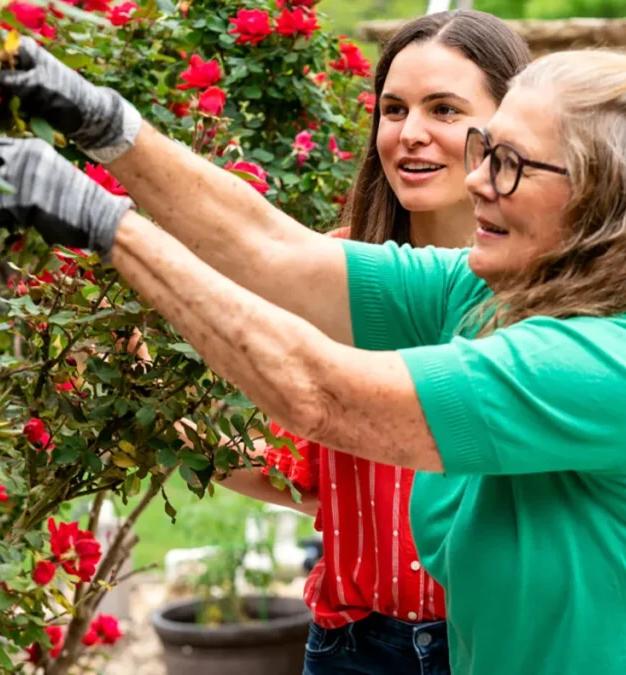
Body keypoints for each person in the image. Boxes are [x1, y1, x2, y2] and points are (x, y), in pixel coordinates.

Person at [0, 32, 626, 674]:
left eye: (507, 163)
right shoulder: (487, 294)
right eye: (486, 149)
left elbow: (319, 393)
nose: (477, 182)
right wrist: (101, 121)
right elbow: (272, 252)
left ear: (604, 199)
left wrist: (101, 222)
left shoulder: (624, 363)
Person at [204, 11, 529, 675]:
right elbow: (311, 476)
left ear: (510, 125)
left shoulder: (547, 293)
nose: (411, 134)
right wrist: (152, 426)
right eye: (393, 109)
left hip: (498, 645)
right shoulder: (331, 274)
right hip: (354, 648)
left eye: (444, 109)